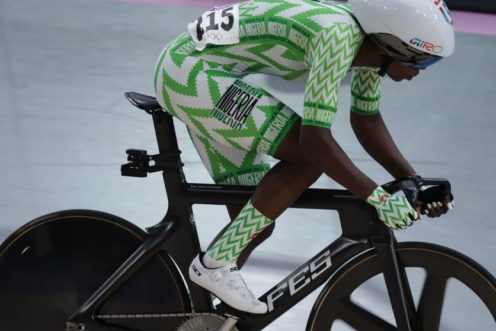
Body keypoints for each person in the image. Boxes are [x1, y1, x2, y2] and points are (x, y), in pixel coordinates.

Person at [154, 0, 455, 314]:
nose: (421, 71)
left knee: (254, 221)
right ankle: (214, 265)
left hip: (197, 71)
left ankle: (187, 323)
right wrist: (378, 199)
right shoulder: (337, 36)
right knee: (308, 159)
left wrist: (412, 182)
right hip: (190, 75)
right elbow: (315, 142)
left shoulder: (368, 47)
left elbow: (366, 120)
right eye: (422, 60)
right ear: (395, 45)